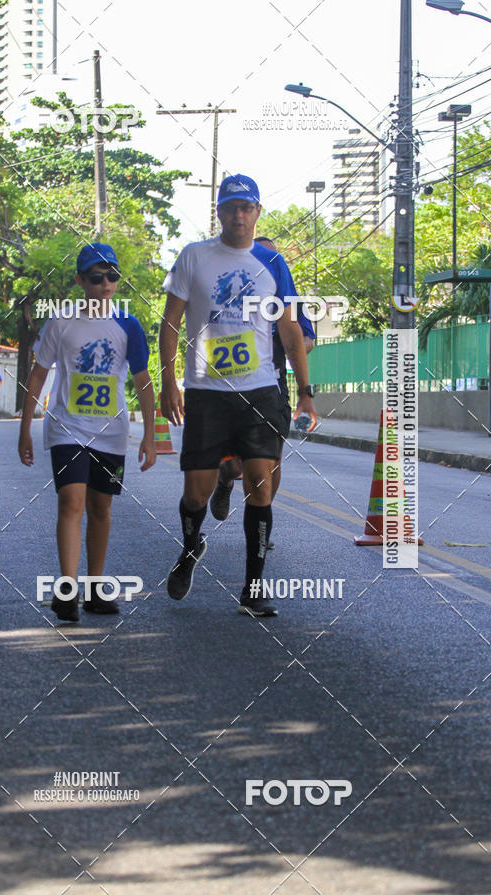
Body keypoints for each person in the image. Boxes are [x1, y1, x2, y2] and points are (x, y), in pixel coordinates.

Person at [159, 174, 316, 618]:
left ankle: (253, 586)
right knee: (196, 493)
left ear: (258, 212)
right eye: (231, 207)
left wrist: (305, 392)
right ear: (220, 212)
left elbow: (289, 329)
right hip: (207, 391)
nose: (239, 215)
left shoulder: (273, 262)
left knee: (260, 488)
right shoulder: (193, 257)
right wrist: (169, 381)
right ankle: (191, 546)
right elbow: (170, 323)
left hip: (261, 391)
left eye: (247, 208)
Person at [18, 243, 156, 622]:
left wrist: (150, 436)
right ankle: (67, 590)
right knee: (71, 502)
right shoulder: (60, 324)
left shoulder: (129, 325)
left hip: (110, 433)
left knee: (101, 507)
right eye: (97, 277)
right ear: (80, 281)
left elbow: (143, 381)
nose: (106, 284)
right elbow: (38, 374)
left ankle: (95, 589)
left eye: (113, 276)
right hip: (67, 429)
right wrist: (26, 427)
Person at [209, 236, 316, 526]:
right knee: (234, 461)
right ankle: (226, 478)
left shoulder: (289, 300)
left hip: (273, 378)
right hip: (232, 377)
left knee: (272, 457)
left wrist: (283, 345)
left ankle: (259, 520)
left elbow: (306, 339)